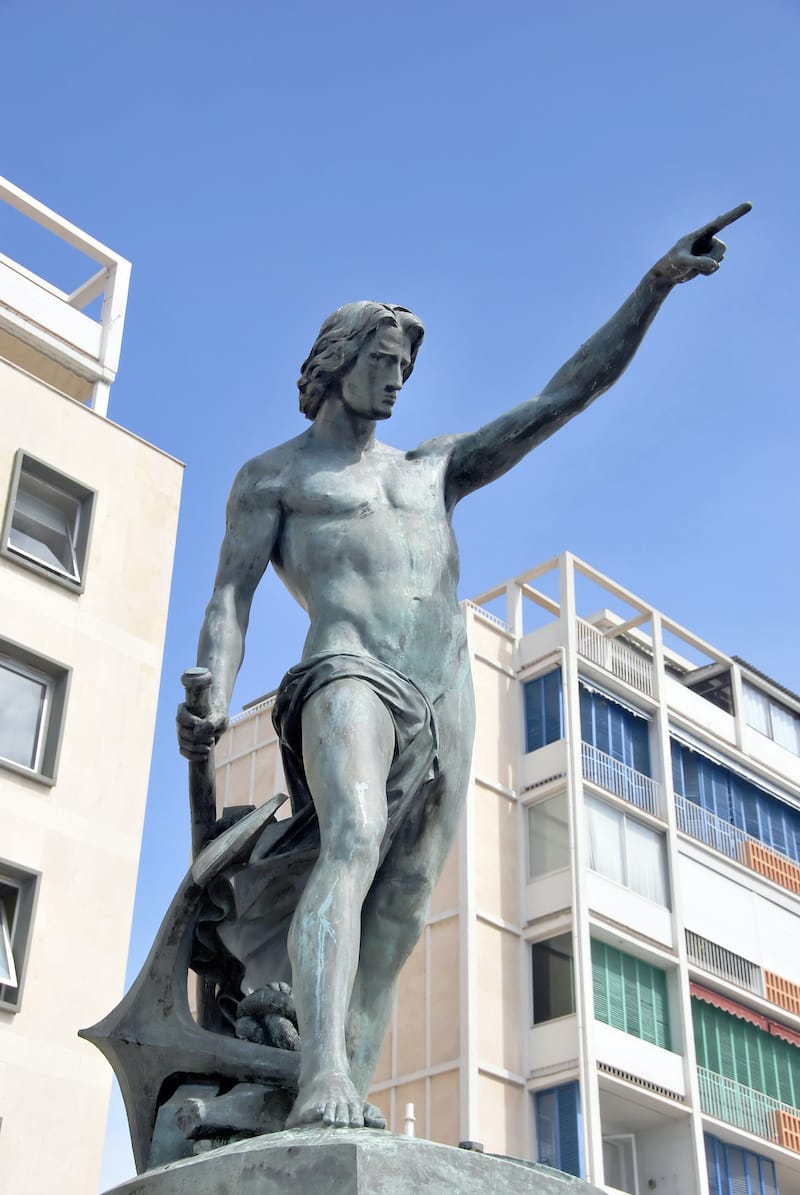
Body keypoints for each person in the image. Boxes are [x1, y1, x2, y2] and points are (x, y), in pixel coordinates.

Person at [177, 204, 750, 1130]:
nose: (398, 381)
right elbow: (229, 601)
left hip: (445, 692)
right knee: (354, 836)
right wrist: (210, 678)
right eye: (382, 362)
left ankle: (341, 1095)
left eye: (407, 368)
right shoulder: (274, 477)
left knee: (401, 906)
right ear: (336, 362)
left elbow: (559, 400)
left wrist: (653, 289)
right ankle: (319, 1072)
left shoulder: (433, 467)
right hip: (345, 672)